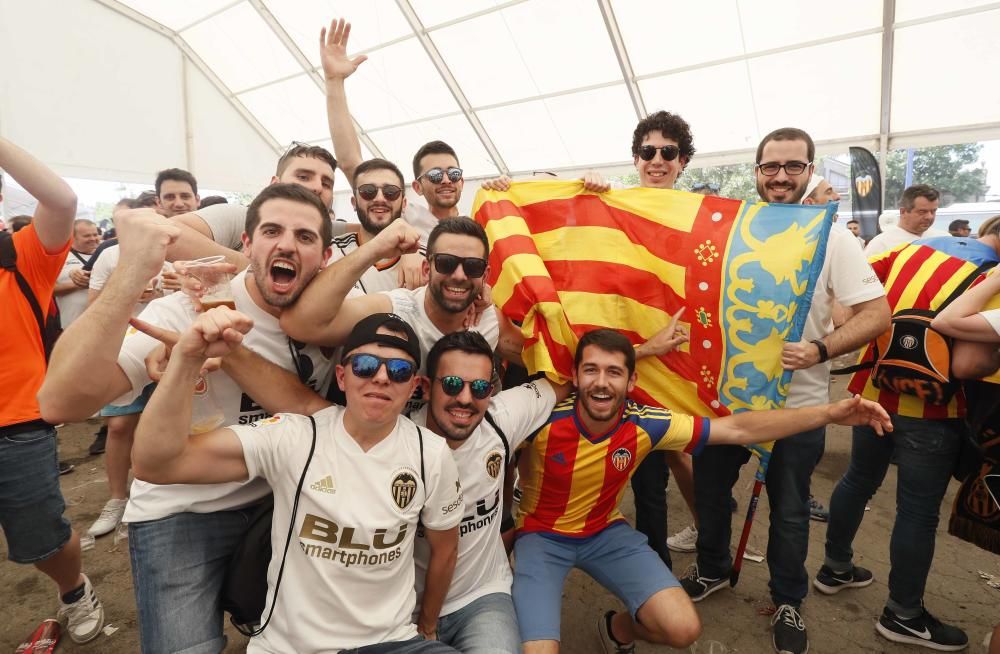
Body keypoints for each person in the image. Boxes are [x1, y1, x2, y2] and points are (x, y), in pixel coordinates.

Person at [39, 183, 339, 653]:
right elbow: (59, 403)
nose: (286, 244)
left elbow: (318, 411)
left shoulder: (326, 320)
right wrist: (133, 268)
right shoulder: (185, 307)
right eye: (272, 230)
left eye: (305, 237)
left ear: (323, 259)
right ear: (247, 244)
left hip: (281, 505)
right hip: (182, 511)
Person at [512, 328, 892, 653]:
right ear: (575, 377)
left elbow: (739, 430)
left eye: (614, 372)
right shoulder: (541, 419)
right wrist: (501, 535)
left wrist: (829, 413)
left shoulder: (647, 424)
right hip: (542, 539)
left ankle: (617, 630)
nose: (600, 382)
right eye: (590, 370)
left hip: (605, 534)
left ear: (631, 384)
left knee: (683, 629)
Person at [133, 308, 462, 653]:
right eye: (365, 365)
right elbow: (158, 465)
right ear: (341, 376)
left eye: (398, 371)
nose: (381, 378)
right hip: (292, 647)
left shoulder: (431, 453)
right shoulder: (295, 436)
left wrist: (426, 629)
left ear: (413, 386)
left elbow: (445, 547)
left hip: (391, 642)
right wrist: (187, 359)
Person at [683, 128, 890, 654]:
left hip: (801, 407)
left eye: (792, 167)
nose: (779, 176)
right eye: (769, 166)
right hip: (726, 403)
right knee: (709, 496)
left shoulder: (832, 236)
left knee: (792, 509)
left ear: (809, 171)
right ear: (755, 171)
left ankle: (788, 600)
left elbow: (877, 314)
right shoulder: (731, 228)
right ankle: (711, 570)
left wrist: (819, 351)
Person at [821, 217, 1000, 652]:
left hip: (873, 389)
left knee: (858, 479)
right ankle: (903, 614)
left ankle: (834, 568)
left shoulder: (909, 251)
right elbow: (972, 365)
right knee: (917, 511)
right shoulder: (990, 278)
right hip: (936, 408)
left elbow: (849, 299)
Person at [0, 136, 104, 644]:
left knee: (43, 541)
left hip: (15, 425)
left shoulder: (18, 255)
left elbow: (62, 200)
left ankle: (73, 587)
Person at [281, 216, 501, 413]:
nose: (460, 275)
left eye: (473, 266)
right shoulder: (394, 309)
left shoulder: (488, 320)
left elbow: (530, 345)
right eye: (446, 263)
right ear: (426, 269)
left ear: (485, 274)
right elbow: (301, 324)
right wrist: (375, 247)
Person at [320, 18, 464, 244]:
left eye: (454, 174)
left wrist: (501, 188)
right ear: (416, 187)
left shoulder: (478, 222)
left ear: (462, 181)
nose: (446, 180)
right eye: (435, 175)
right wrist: (334, 82)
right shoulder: (402, 214)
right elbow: (350, 163)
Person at [167, 142, 349, 267]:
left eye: (326, 183)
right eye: (303, 177)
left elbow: (371, 231)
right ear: (275, 183)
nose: (317, 187)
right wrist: (255, 268)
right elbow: (166, 234)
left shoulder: (329, 230)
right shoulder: (239, 217)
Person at [329, 157, 416, 295]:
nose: (380, 198)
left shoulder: (425, 259)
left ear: (404, 203)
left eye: (391, 192)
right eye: (368, 191)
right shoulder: (330, 254)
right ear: (354, 202)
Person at [864, 184, 949, 255]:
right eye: (922, 212)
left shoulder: (945, 239)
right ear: (903, 211)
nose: (929, 217)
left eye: (933, 211)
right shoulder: (880, 245)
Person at [52, 219, 100, 327]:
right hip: (73, 325)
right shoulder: (58, 258)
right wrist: (77, 284)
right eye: (87, 236)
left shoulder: (106, 254)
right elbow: (50, 291)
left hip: (105, 324)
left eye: (95, 234)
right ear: (72, 237)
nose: (93, 239)